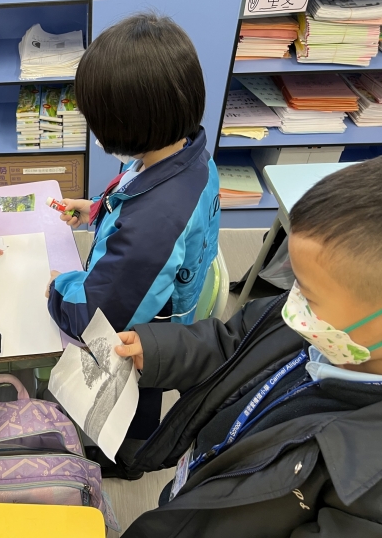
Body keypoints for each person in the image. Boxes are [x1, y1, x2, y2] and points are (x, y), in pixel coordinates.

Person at [114, 158, 382, 537]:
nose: (292, 304)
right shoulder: (313, 327)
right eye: (294, 282)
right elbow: (232, 345)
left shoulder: (369, 489)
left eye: (309, 295)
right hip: (205, 484)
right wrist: (159, 349)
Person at [46, 13, 220, 445]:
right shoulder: (187, 151)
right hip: (163, 292)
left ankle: (130, 456)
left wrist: (57, 288)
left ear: (129, 125)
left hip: (146, 333)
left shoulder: (152, 226)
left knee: (135, 400)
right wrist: (96, 208)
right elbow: (137, 195)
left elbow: (97, 317)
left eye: (97, 119)